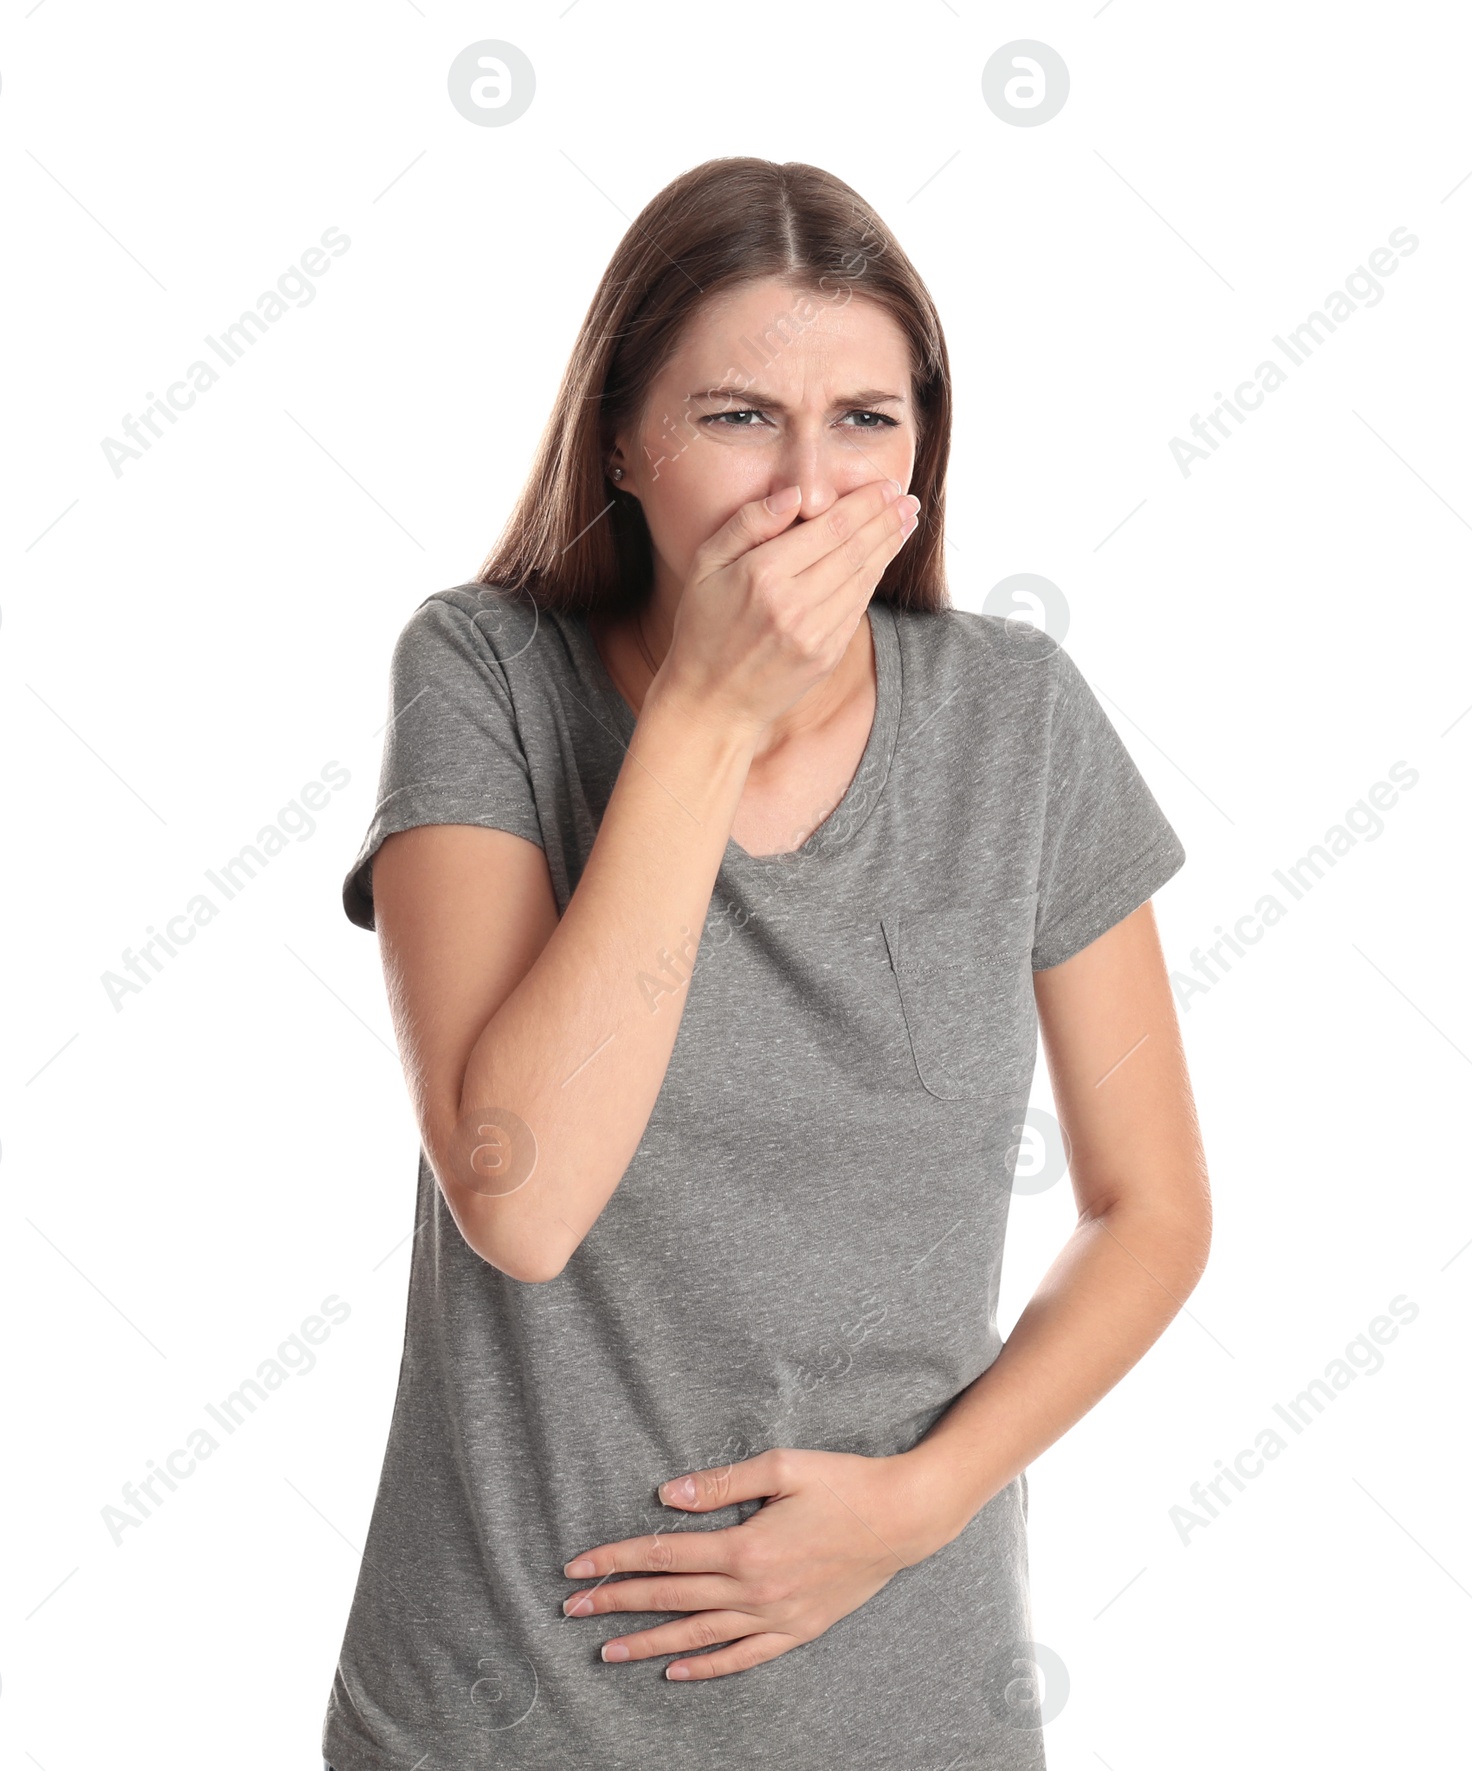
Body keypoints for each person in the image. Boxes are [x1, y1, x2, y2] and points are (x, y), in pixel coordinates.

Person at [322, 155, 1210, 1771]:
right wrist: (708, 719)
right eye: (739, 417)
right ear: (623, 442)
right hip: (502, 1709)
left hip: (905, 1704)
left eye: (865, 420)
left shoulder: (1017, 720)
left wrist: (911, 1508)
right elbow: (520, 1200)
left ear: (924, 450)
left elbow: (1151, 1212)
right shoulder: (482, 676)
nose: (807, 488)